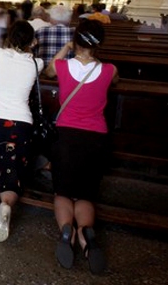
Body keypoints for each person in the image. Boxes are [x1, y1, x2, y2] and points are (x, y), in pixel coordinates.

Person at [43, 19, 119, 275]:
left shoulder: (63, 66)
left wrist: (66, 48)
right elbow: (116, 80)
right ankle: (86, 233)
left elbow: (50, 71)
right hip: (96, 139)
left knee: (63, 193)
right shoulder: (109, 69)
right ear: (99, 45)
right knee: (85, 195)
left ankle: (67, 231)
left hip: (66, 138)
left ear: (76, 40)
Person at [0, 20, 43, 242]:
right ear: (32, 41)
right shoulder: (36, 64)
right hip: (20, 124)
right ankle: (5, 208)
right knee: (12, 173)